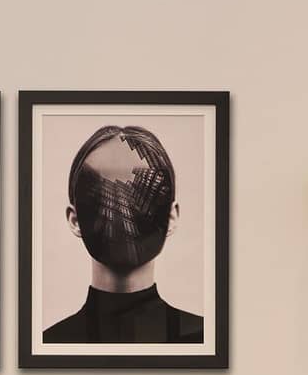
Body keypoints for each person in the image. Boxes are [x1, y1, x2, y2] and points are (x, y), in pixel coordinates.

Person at [42, 124, 203, 344]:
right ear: (75, 220)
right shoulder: (49, 345)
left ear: (171, 217)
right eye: (102, 192)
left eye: (141, 195)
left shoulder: (204, 339)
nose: (121, 210)